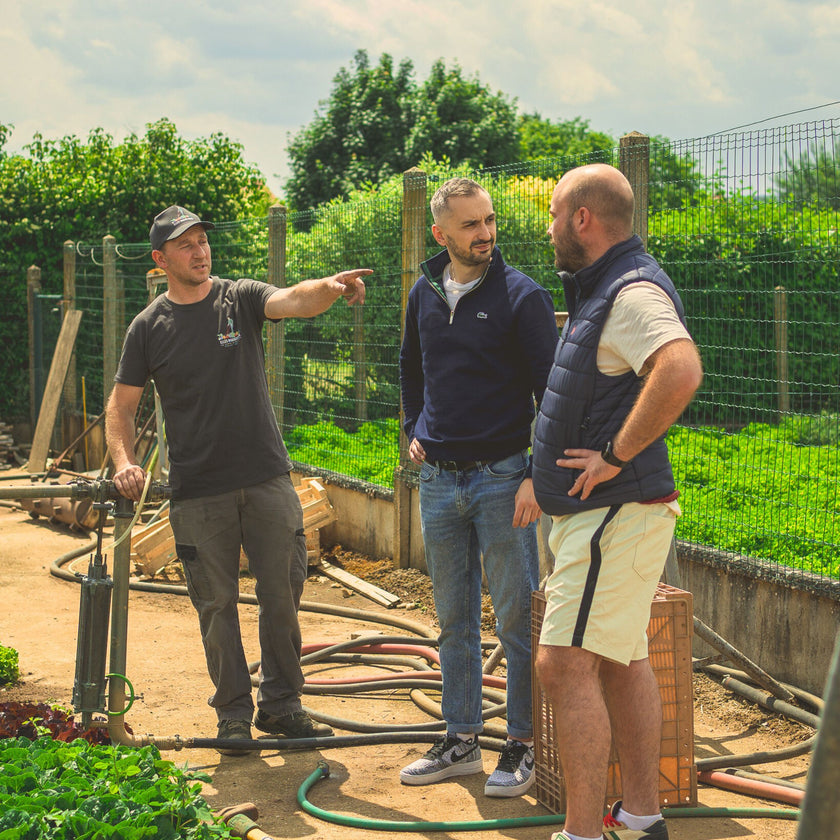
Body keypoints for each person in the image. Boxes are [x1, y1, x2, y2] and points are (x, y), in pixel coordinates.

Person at [106, 205, 371, 754]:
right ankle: (232, 714)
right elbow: (122, 405)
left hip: (266, 478)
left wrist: (328, 286)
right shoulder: (148, 328)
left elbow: (290, 300)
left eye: (203, 240)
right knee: (216, 604)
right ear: (161, 260)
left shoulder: (239, 297)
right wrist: (123, 461)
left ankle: (281, 705)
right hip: (198, 491)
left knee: (282, 593)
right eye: (186, 245)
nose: (199, 251)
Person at [531, 164, 703, 840]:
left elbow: (680, 367)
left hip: (612, 514)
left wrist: (615, 455)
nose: (547, 228)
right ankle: (640, 816)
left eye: (552, 214)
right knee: (623, 656)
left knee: (564, 662)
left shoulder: (629, 293)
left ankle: (580, 833)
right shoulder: (604, 289)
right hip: (605, 518)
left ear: (583, 219)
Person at [398, 178, 559, 797]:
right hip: (438, 480)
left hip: (503, 480)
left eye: (489, 221)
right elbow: (411, 366)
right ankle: (461, 737)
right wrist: (413, 427)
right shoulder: (424, 293)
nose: (485, 233)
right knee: (453, 619)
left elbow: (552, 393)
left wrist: (534, 477)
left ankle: (520, 745)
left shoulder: (523, 296)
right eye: (469, 225)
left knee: (517, 619)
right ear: (440, 234)